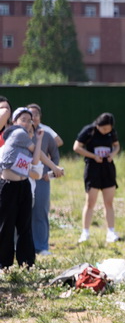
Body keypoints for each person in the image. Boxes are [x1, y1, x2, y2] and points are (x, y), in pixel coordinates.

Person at [0, 108, 44, 269]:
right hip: (8, 187)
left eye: (29, 120)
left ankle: (27, 263)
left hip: (23, 186)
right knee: (6, 225)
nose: (26, 123)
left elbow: (35, 161)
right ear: (14, 121)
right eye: (23, 119)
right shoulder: (18, 134)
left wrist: (39, 139)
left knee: (25, 226)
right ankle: (4, 263)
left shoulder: (26, 142)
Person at [72, 112, 121, 243]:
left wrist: (112, 154)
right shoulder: (89, 131)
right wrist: (93, 156)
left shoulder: (111, 133)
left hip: (108, 169)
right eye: (103, 129)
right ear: (98, 125)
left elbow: (117, 145)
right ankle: (85, 233)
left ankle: (111, 232)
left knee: (109, 202)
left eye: (108, 129)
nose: (106, 131)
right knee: (90, 202)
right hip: (93, 169)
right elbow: (76, 147)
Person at [28, 104, 65, 255]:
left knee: (40, 211)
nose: (33, 118)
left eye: (36, 114)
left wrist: (49, 174)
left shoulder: (46, 134)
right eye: (30, 115)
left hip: (41, 179)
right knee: (21, 212)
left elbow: (55, 156)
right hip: (22, 178)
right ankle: (19, 245)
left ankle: (41, 246)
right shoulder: (20, 134)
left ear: (40, 116)